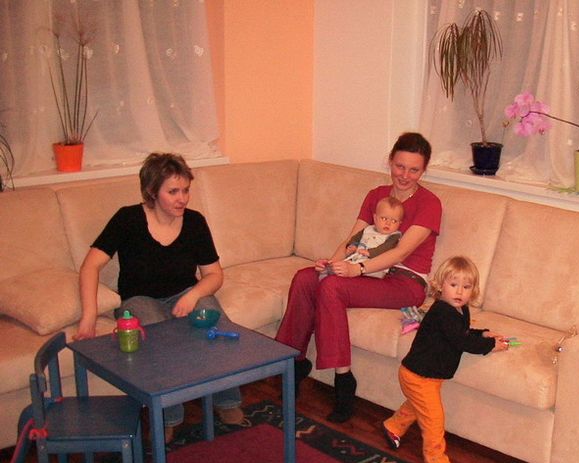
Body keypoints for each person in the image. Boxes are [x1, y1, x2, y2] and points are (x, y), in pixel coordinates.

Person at [75, 152, 243, 442]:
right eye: (173, 192)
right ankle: (167, 415)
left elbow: (214, 275)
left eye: (186, 190)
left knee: (214, 319)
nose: (182, 199)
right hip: (139, 299)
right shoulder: (127, 219)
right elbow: (90, 266)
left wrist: (193, 295)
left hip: (185, 292)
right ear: (152, 191)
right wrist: (88, 317)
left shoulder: (194, 222)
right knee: (156, 333)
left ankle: (226, 400)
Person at [276, 132, 441, 423]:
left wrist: (357, 269)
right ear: (390, 162)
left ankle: (344, 380)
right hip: (368, 270)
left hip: (404, 282)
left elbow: (400, 252)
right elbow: (354, 239)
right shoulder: (377, 195)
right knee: (305, 278)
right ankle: (294, 362)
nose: (405, 175)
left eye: (414, 170)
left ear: (424, 170)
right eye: (400, 166)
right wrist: (332, 263)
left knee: (332, 288)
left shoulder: (430, 203)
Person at [381, 256, 509, 463]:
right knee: (433, 419)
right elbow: (461, 341)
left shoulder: (461, 309)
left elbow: (462, 333)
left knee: (417, 406)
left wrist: (483, 334)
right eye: (453, 285)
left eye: (466, 287)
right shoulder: (442, 311)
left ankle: (393, 426)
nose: (459, 291)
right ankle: (436, 461)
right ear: (440, 286)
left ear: (473, 290)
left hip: (429, 375)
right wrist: (489, 345)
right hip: (418, 375)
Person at [321, 196, 404, 279]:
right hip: (356, 259)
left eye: (394, 221)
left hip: (374, 267)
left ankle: (331, 274)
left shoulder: (394, 236)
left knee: (341, 272)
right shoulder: (368, 229)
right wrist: (352, 245)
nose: (388, 223)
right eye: (384, 218)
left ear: (399, 223)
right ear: (375, 218)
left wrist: (370, 253)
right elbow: (356, 238)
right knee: (339, 267)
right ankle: (327, 270)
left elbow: (386, 248)